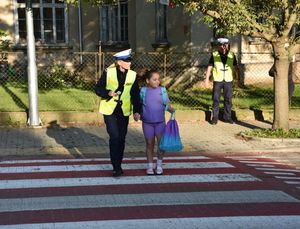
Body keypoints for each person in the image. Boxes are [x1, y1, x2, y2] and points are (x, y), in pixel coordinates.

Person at [95, 49, 141, 177]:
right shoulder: (108, 72)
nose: (129, 62)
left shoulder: (132, 75)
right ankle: (116, 167)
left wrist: (137, 111)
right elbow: (98, 88)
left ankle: (118, 163)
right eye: (127, 60)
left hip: (124, 110)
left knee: (121, 138)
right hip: (109, 109)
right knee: (114, 137)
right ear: (119, 62)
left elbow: (135, 94)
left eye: (130, 60)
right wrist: (108, 93)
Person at [138, 69, 175, 175]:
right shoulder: (143, 91)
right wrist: (137, 113)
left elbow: (167, 104)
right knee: (149, 144)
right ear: (147, 80)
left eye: (158, 79)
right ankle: (150, 166)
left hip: (160, 123)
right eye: (154, 79)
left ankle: (159, 165)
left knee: (161, 145)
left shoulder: (162, 90)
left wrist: (170, 109)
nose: (157, 81)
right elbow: (139, 104)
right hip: (147, 123)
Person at [205, 38, 240, 125]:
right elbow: (209, 67)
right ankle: (215, 118)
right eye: (221, 44)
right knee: (216, 99)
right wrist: (206, 80)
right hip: (218, 80)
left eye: (225, 44)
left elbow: (236, 68)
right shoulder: (214, 55)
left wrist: (238, 79)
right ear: (218, 45)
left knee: (228, 99)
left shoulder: (232, 55)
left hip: (228, 80)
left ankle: (227, 117)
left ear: (228, 45)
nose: (223, 46)